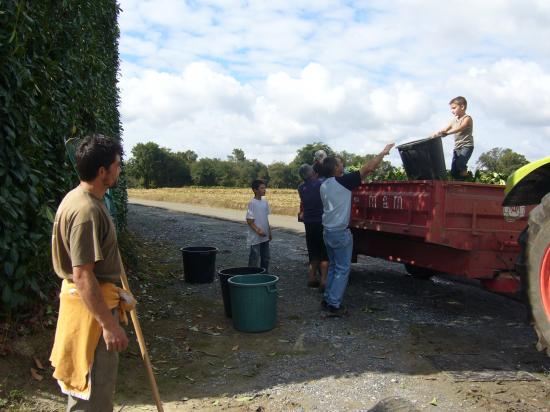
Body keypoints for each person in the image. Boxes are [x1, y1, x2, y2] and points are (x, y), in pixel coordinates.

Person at [50, 134, 134, 411]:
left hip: (97, 301)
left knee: (93, 390)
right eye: (117, 164)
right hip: (92, 315)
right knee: (92, 393)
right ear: (103, 171)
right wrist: (109, 326)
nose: (119, 169)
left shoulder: (83, 199)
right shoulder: (85, 210)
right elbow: (83, 275)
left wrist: (118, 292)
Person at [320, 143, 394, 316]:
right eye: (340, 164)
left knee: (333, 267)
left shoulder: (324, 184)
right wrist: (383, 152)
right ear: (335, 169)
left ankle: (327, 298)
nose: (342, 165)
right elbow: (369, 168)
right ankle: (334, 305)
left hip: (328, 231)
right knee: (342, 269)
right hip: (340, 232)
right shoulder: (344, 181)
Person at [297, 164, 328, 290]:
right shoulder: (321, 184)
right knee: (324, 252)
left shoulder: (300, 187)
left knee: (313, 250)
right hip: (321, 222)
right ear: (312, 173)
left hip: (308, 222)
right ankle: (324, 281)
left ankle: (311, 277)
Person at [431, 96, 474, 180]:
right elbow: (444, 129)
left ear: (462, 107)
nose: (452, 111)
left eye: (454, 108)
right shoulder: (453, 121)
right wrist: (435, 135)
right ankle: (461, 183)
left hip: (467, 146)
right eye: (451, 109)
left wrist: (447, 133)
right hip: (457, 148)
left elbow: (461, 128)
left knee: (460, 164)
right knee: (454, 171)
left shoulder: (467, 118)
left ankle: (468, 178)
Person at [246, 179, 272, 271]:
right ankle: (251, 276)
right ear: (255, 190)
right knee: (254, 258)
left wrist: (269, 231)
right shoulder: (252, 203)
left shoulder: (265, 202)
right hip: (255, 236)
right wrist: (258, 230)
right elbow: (249, 221)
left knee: (266, 257)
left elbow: (265, 218)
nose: (264, 190)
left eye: (265, 188)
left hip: (265, 235)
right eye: (262, 188)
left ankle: (264, 275)